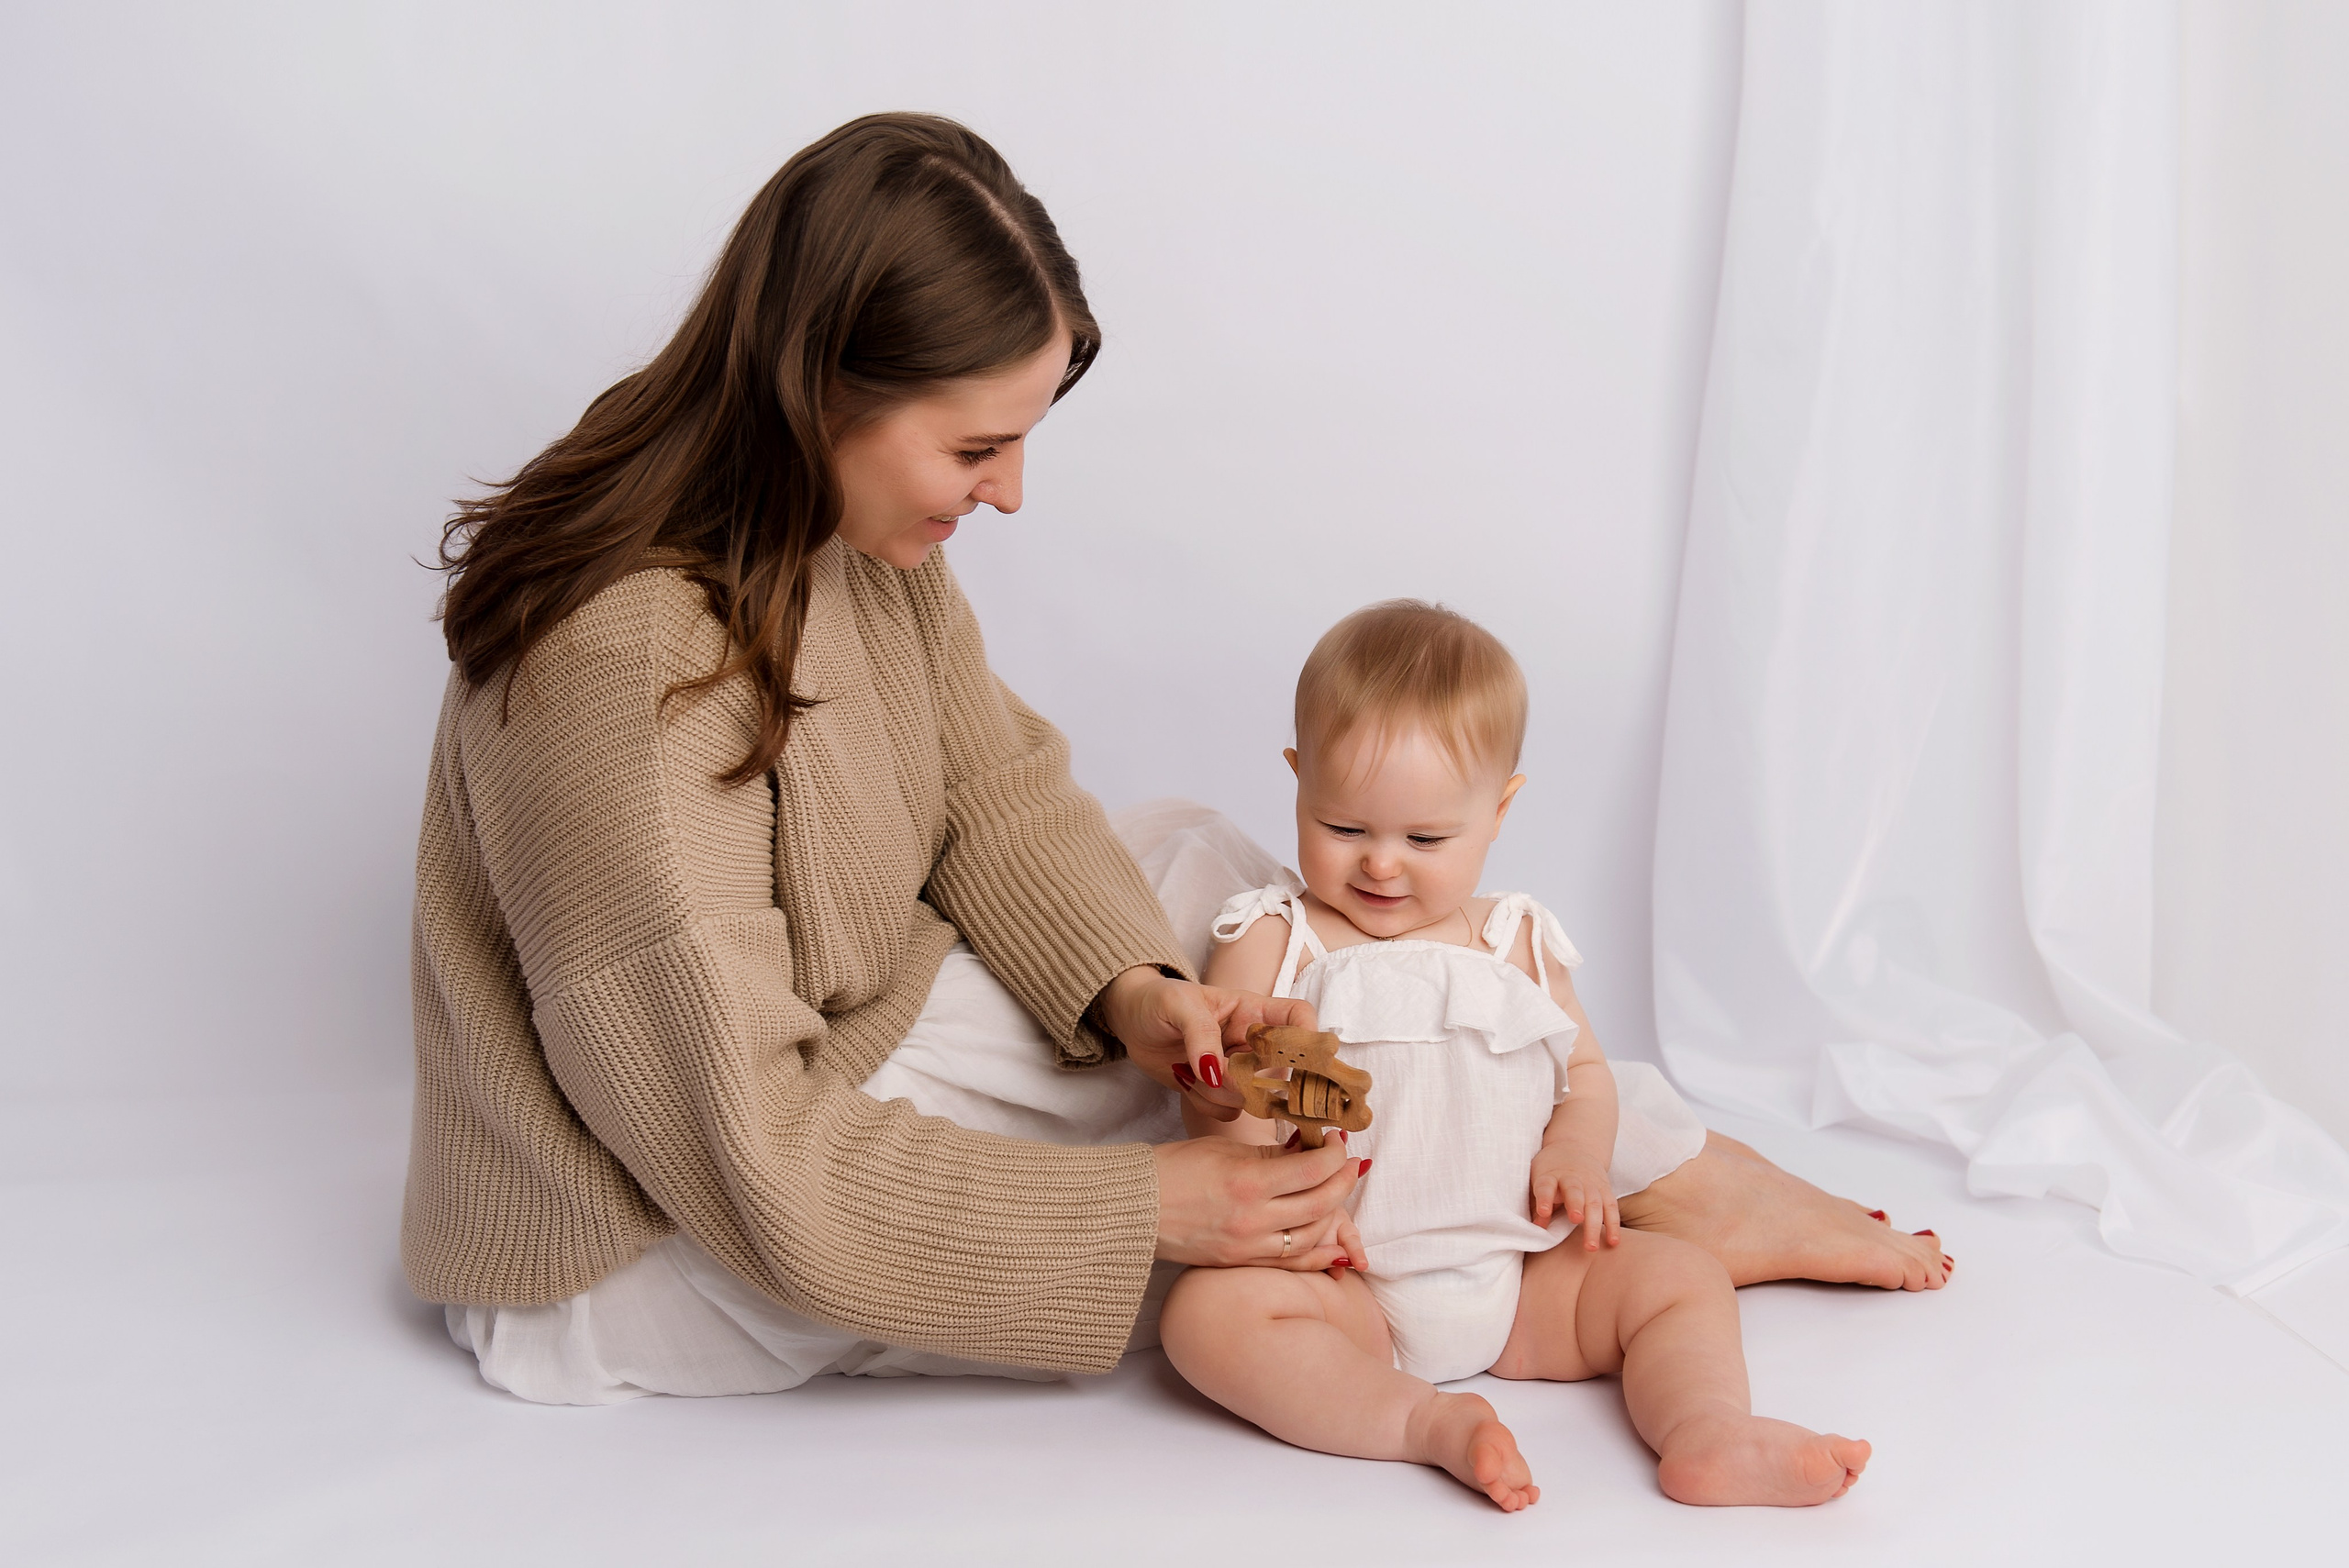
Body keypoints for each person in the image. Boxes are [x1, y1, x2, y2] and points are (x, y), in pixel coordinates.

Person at [404, 112, 1945, 1407]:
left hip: (850, 1037)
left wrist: (1141, 1000)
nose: (1010, 492)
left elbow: (993, 791)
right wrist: (1152, 1204)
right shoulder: (625, 672)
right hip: (653, 1237)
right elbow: (754, 1155)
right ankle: (1559, 1196)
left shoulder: (835, 527)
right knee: (1240, 1181)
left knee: (1205, 880)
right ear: (823, 388)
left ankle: (1574, 1161)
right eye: (975, 447)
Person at [1160, 603, 1916, 1508]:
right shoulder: (1272, 940)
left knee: (1681, 1276)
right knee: (1206, 1317)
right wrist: (1284, 1202)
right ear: (1296, 783)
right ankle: (1420, 1422)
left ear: (1499, 809)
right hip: (1344, 1282)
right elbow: (1233, 1112)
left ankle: (1706, 1427)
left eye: (1426, 838)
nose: (1382, 864)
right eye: (1344, 827)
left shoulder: (1516, 941)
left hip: (1521, 1277)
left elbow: (1584, 1076)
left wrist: (1577, 1153)